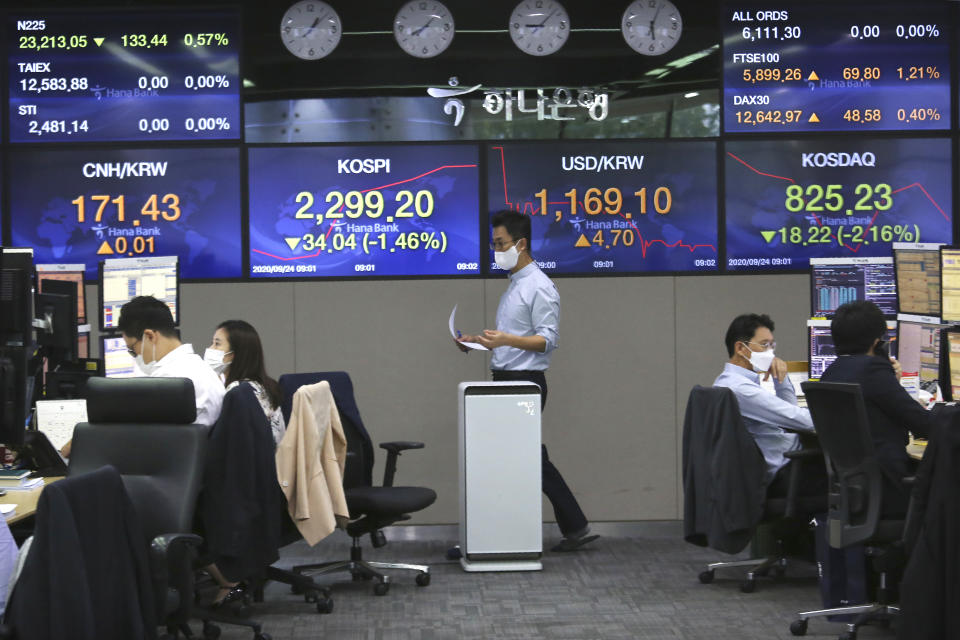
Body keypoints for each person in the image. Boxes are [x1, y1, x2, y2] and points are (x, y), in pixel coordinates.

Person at [456, 209, 597, 552]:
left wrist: (504, 340)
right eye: (493, 244)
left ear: (521, 244)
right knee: (527, 457)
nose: (496, 250)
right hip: (506, 378)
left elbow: (546, 340)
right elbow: (510, 338)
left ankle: (489, 537)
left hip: (524, 383)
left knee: (508, 458)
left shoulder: (540, 287)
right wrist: (477, 340)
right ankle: (575, 527)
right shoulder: (516, 286)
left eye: (500, 243)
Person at [820, 300, 930, 517]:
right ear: (877, 342)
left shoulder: (831, 373)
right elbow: (924, 425)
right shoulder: (873, 370)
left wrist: (892, 382)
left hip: (857, 491)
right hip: (891, 490)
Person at [713, 314, 817, 496]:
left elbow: (789, 420)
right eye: (764, 345)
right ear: (740, 348)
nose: (771, 352)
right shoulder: (740, 389)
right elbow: (801, 420)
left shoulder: (730, 382)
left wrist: (781, 380)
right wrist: (836, 418)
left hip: (783, 466)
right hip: (782, 473)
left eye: (772, 345)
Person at [118, 296, 225, 426]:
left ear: (150, 336)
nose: (135, 356)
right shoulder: (203, 369)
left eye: (132, 349)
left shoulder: (167, 382)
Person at [206, 319, 285, 445]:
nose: (210, 348)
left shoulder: (237, 392)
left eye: (217, 344)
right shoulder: (262, 386)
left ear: (234, 354)